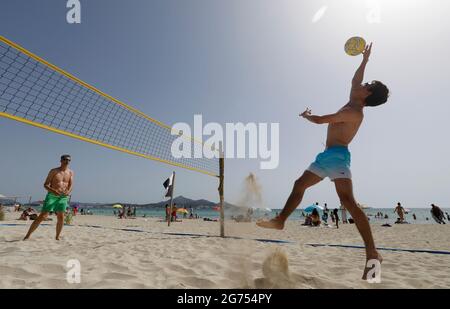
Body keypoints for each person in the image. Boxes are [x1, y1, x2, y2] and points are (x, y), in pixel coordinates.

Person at [257, 43, 389, 279]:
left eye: (367, 85)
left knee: (348, 201)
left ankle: (372, 252)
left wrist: (308, 116)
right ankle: (280, 220)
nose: (362, 83)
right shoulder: (353, 99)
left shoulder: (354, 111)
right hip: (326, 156)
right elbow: (354, 80)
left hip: (338, 156)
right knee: (299, 185)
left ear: (367, 94)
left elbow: (320, 121)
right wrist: (365, 60)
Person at [24, 155, 74, 241]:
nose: (67, 161)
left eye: (69, 160)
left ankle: (57, 237)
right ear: (61, 160)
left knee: (61, 217)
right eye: (65, 159)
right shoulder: (54, 171)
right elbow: (45, 184)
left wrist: (68, 192)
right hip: (52, 196)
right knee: (43, 216)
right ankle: (27, 235)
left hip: (63, 197)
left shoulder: (70, 172)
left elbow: (71, 185)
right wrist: (53, 191)